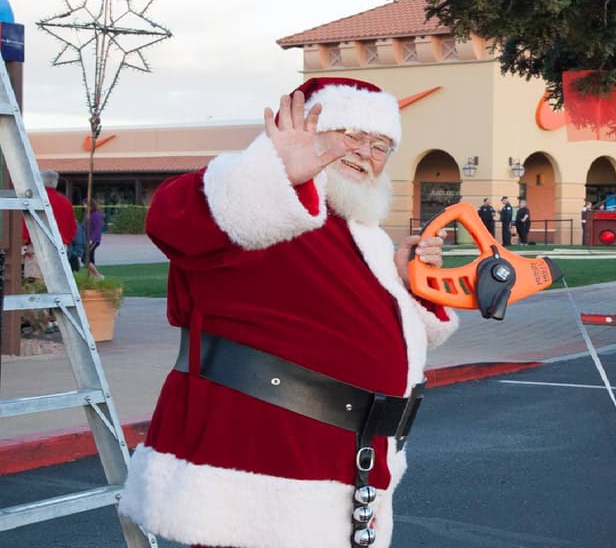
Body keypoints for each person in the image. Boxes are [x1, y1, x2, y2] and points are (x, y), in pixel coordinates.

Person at [118, 77, 458, 548]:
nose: (365, 153)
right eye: (352, 136)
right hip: (260, 471)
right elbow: (172, 219)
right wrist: (274, 173)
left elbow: (397, 334)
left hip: (348, 465)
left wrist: (407, 281)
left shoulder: (366, 235)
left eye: (380, 145)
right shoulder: (263, 204)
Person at [21, 169, 79, 279]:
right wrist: (66, 241)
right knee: (57, 280)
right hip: (60, 246)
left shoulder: (36, 200)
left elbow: (26, 224)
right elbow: (73, 227)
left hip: (37, 245)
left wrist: (25, 241)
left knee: (34, 280)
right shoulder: (66, 202)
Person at [84, 198, 105, 280]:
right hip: (87, 239)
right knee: (90, 258)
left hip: (93, 240)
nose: (84, 207)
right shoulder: (88, 214)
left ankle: (98, 275)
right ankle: (92, 276)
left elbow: (97, 228)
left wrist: (92, 239)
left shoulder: (96, 215)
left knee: (86, 257)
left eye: (85, 205)